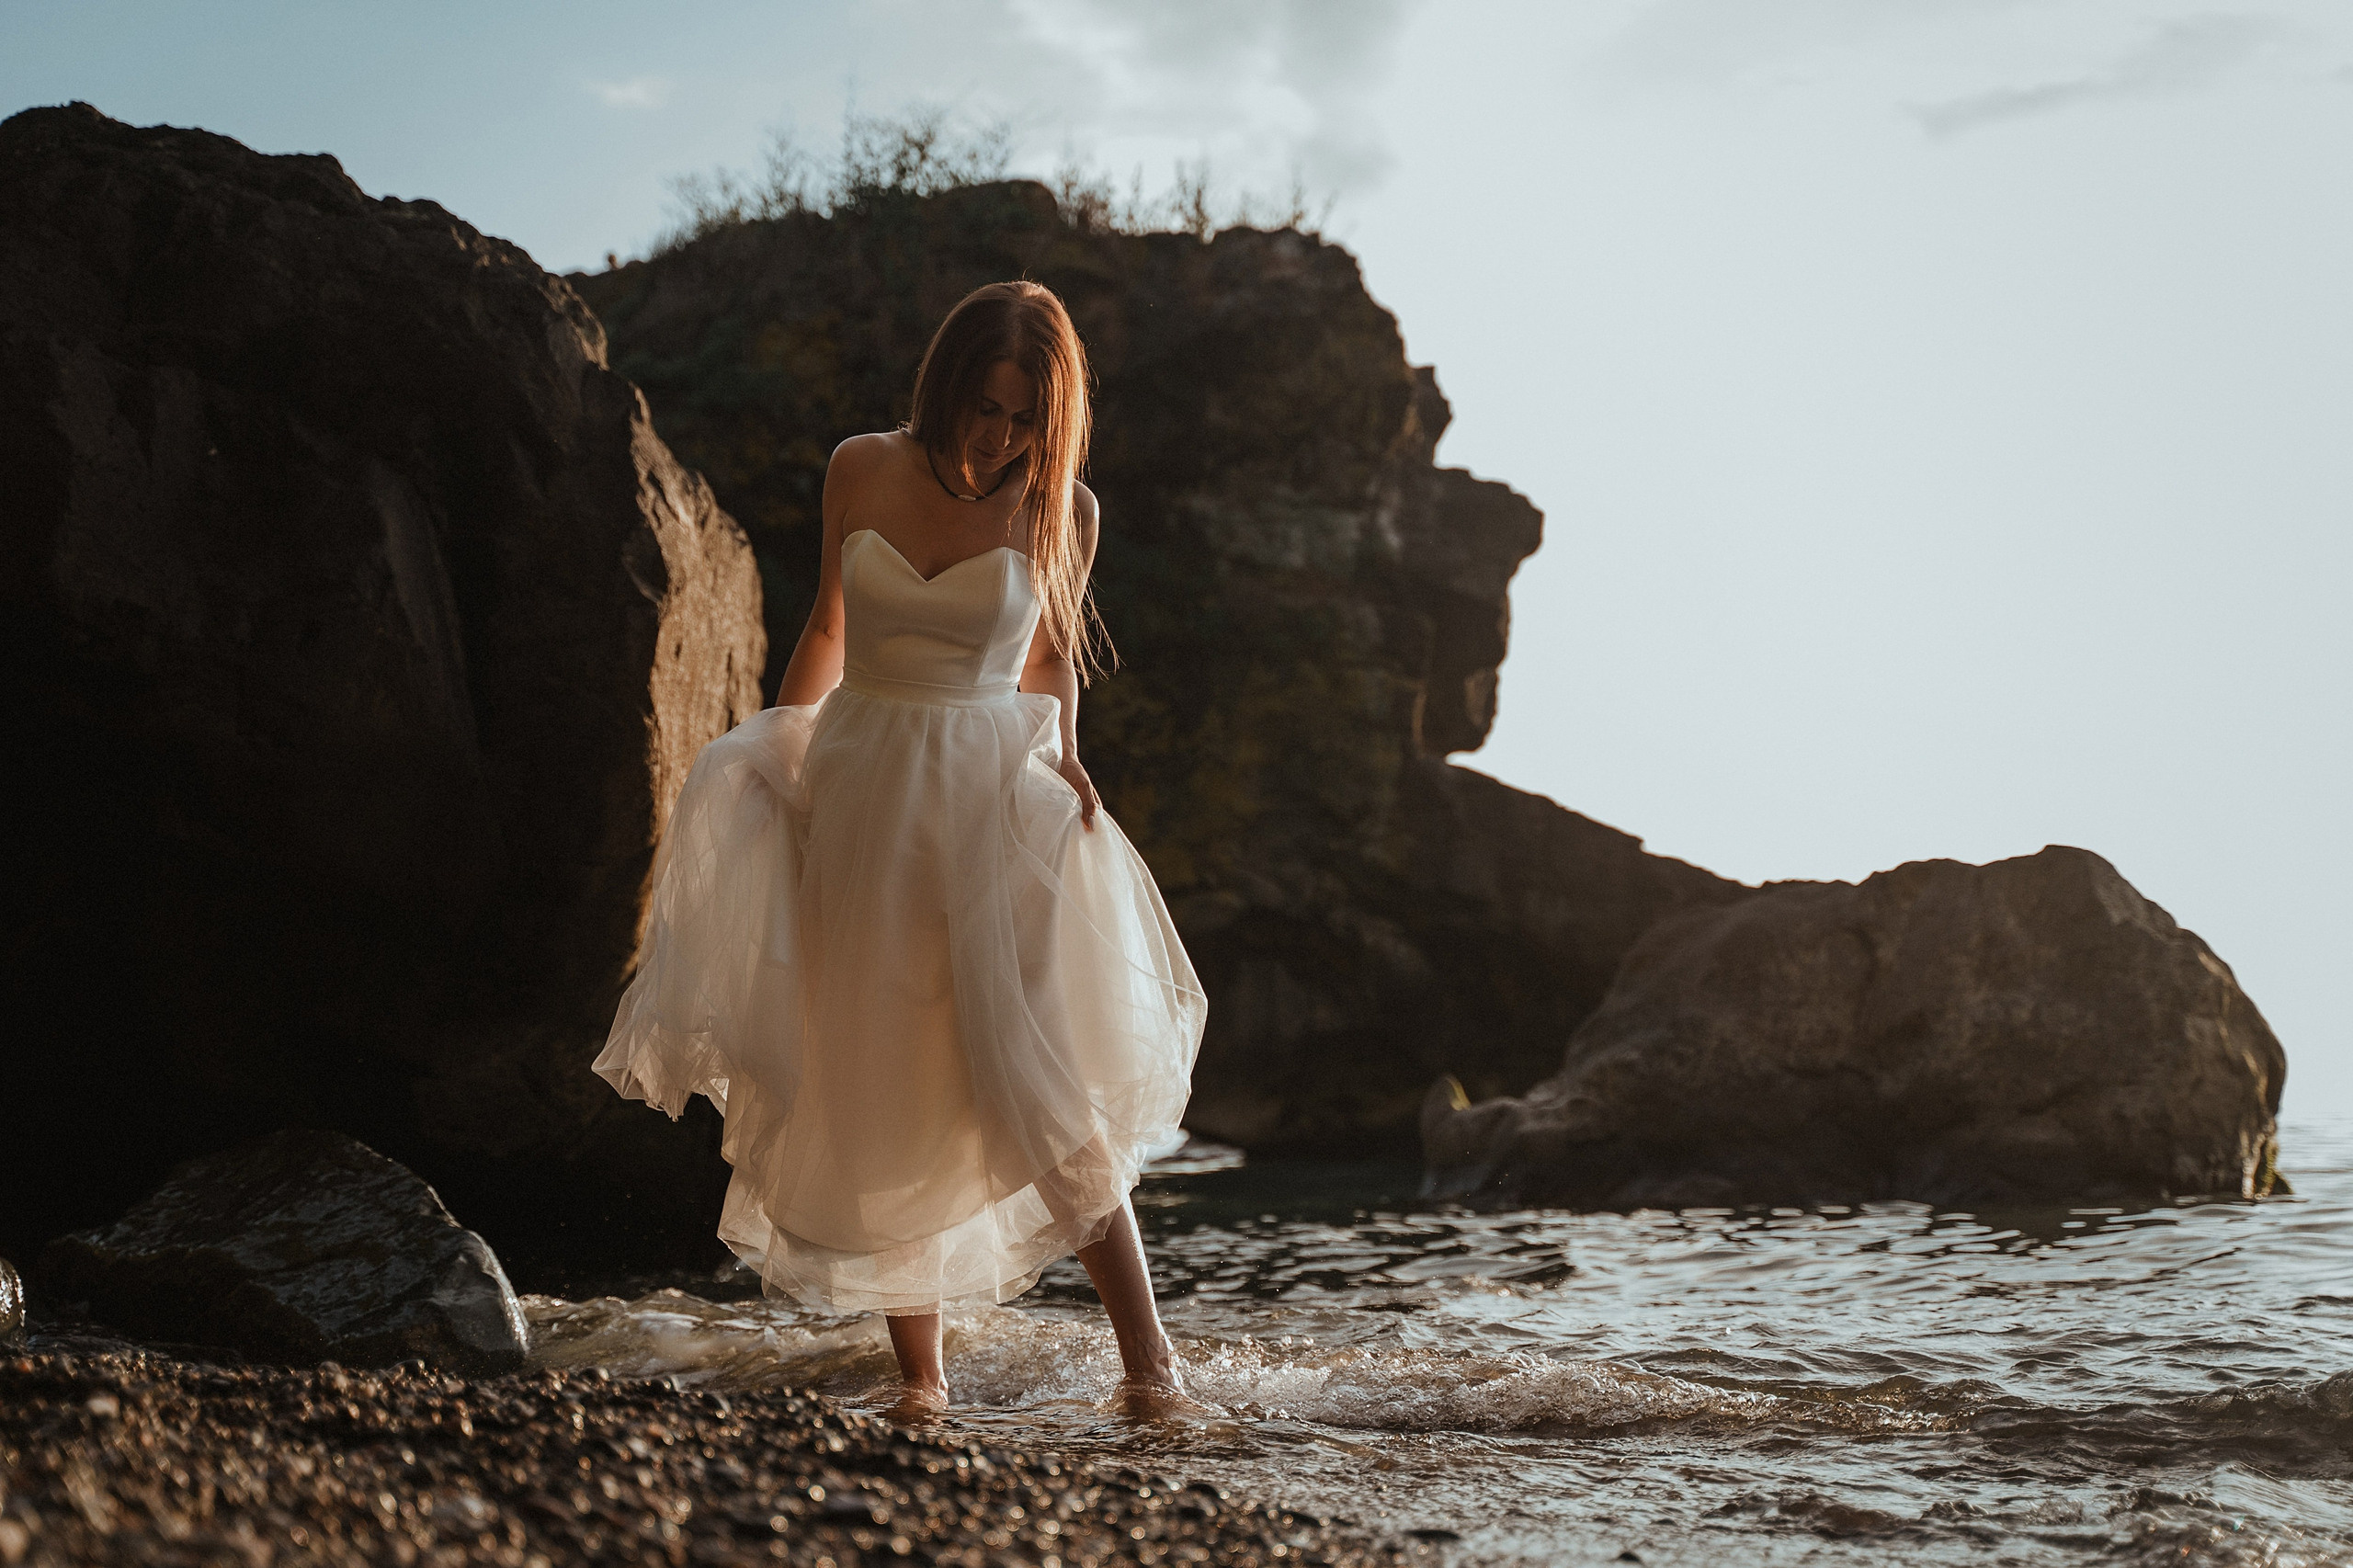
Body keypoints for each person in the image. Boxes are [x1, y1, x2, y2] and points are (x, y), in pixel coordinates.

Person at [593, 280, 1207, 1416]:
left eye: (1026, 416)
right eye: (984, 405)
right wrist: (782, 754)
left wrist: (1070, 746)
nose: (999, 435)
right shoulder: (860, 467)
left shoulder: (1061, 508)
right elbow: (829, 622)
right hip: (863, 787)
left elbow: (1052, 654)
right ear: (943, 384)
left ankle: (1150, 1367)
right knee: (877, 1072)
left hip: (987, 806)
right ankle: (921, 1379)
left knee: (1036, 1081)